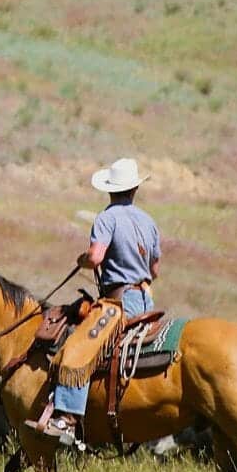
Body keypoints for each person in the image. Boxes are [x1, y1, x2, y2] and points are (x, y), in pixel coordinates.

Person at [26, 158, 161, 444]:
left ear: (110, 190)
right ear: (134, 189)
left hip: (119, 303)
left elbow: (96, 257)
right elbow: (155, 270)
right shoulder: (149, 221)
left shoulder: (106, 218)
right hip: (146, 301)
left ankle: (67, 419)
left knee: (76, 347)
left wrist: (84, 260)